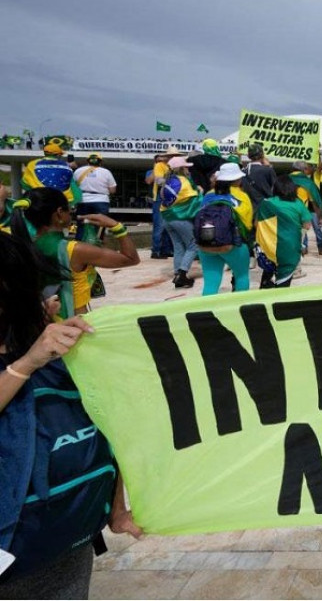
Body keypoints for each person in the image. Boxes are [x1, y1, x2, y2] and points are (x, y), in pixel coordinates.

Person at [0, 232, 142, 599]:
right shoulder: (35, 356)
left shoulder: (56, 352)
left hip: (69, 536)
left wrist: (116, 509)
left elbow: (107, 428)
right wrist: (26, 364)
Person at [11, 189, 140, 318]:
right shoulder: (75, 250)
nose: (72, 213)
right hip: (73, 325)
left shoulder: (24, 246)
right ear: (59, 213)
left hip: (44, 323)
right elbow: (130, 258)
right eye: (70, 209)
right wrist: (116, 226)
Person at [195, 163, 253, 296]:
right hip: (233, 245)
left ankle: (207, 312)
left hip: (206, 243)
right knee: (241, 277)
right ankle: (239, 308)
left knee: (210, 283)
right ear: (238, 180)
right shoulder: (242, 197)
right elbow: (247, 224)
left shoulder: (208, 195)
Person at [256, 176, 313, 289]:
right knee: (284, 282)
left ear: (275, 189)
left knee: (267, 273)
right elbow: (307, 225)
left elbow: (256, 224)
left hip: (269, 247)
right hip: (290, 248)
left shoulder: (266, 203)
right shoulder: (298, 203)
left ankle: (265, 293)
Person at [159, 156, 203, 288]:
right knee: (194, 243)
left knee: (178, 246)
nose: (188, 169)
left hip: (167, 218)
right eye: (186, 166)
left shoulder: (167, 181)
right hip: (180, 218)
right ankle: (182, 274)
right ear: (181, 168)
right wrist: (200, 192)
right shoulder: (184, 181)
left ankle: (177, 273)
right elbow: (195, 202)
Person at [72, 153, 116, 242]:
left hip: (83, 200)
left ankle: (80, 247)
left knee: (82, 225)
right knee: (100, 225)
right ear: (101, 162)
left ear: (87, 161)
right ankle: (97, 246)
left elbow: (73, 187)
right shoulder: (106, 172)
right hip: (101, 201)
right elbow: (112, 190)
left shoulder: (78, 171)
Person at [290, 161, 322, 256]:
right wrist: (321, 216)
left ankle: (303, 248)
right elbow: (314, 201)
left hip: (287, 212)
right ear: (304, 170)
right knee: (304, 232)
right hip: (303, 212)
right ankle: (302, 250)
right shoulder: (307, 183)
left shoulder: (285, 180)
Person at [146, 150, 172, 259]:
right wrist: (156, 167)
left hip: (168, 198)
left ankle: (166, 250)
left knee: (167, 226)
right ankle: (156, 250)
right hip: (159, 198)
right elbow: (150, 181)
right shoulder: (157, 167)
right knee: (159, 225)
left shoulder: (169, 167)